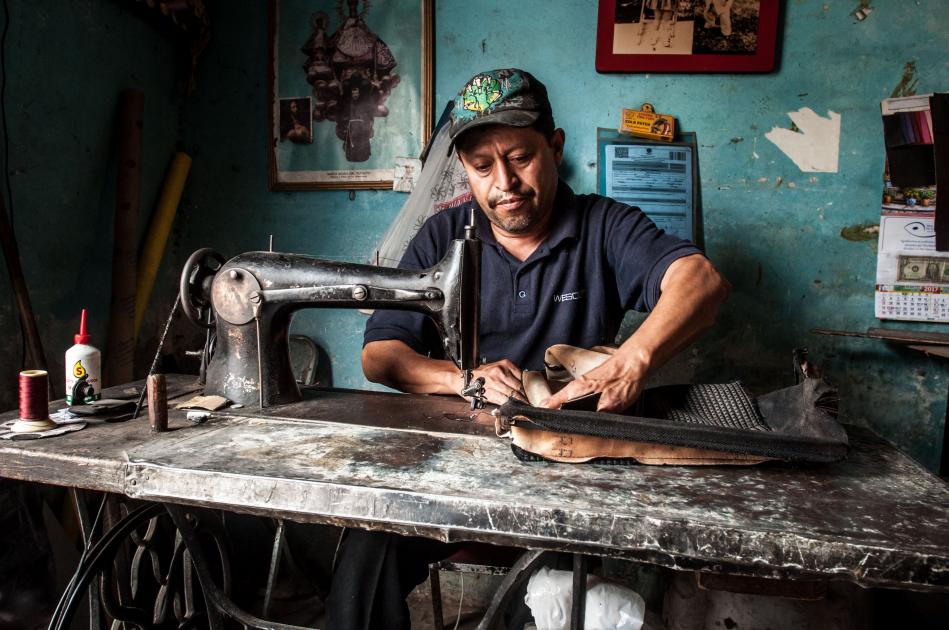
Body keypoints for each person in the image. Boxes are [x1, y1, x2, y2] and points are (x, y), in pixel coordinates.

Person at [325, 68, 729, 629]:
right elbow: (380, 356)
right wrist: (463, 379)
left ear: (555, 147)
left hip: (563, 470)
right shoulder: (443, 235)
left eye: (520, 157)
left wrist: (630, 362)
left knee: (549, 598)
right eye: (482, 167)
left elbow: (701, 282)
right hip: (452, 468)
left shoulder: (604, 226)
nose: (504, 183)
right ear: (464, 168)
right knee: (371, 538)